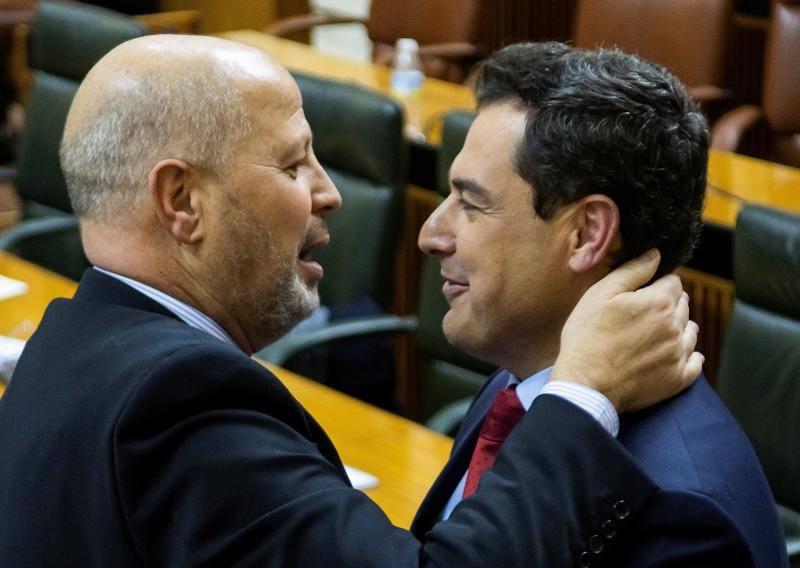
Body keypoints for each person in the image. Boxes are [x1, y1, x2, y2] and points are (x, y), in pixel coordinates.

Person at [0, 35, 699, 566]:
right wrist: (581, 394)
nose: (330, 192)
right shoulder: (180, 398)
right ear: (182, 201)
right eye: (293, 163)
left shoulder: (66, 344)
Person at [414, 42, 788, 567]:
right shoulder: (518, 385)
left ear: (587, 233)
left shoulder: (686, 515)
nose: (431, 234)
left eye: (471, 204)